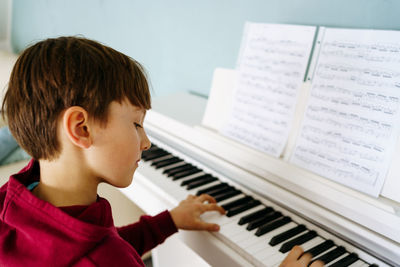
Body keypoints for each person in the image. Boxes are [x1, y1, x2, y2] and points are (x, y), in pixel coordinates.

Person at [0, 36, 323, 267]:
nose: (147, 142)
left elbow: (100, 242)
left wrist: (168, 221)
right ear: (81, 128)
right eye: (137, 124)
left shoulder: (14, 204)